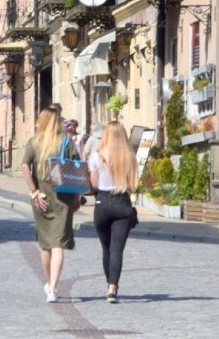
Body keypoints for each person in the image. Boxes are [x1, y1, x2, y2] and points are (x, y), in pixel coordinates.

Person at [21, 106, 82, 303]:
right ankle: (53, 287)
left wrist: (33, 192)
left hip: (42, 197)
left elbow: (24, 166)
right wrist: (77, 197)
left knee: (46, 245)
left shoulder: (35, 142)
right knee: (58, 245)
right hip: (63, 195)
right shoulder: (67, 142)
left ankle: (50, 284)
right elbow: (78, 169)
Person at [89, 121, 138, 303]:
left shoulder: (97, 156)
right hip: (122, 202)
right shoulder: (129, 156)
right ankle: (112, 288)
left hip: (102, 202)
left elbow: (93, 184)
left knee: (106, 249)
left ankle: (108, 283)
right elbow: (132, 186)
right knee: (117, 250)